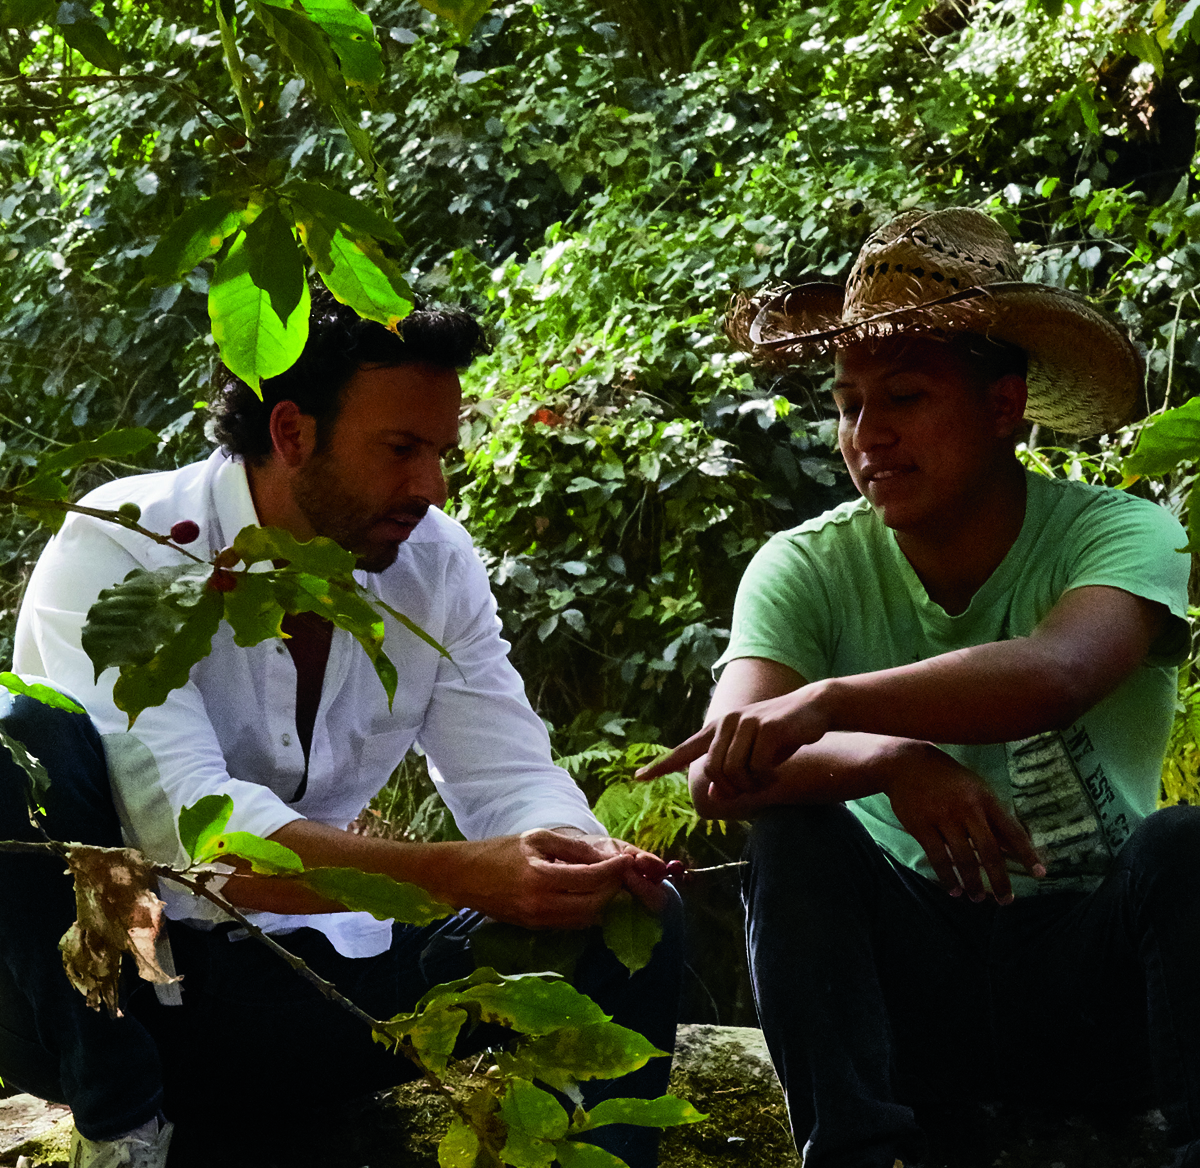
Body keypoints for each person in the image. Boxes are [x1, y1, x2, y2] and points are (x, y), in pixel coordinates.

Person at [0, 295, 681, 1168]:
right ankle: (121, 1126)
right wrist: (457, 877)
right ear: (291, 432)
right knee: (17, 738)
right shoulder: (127, 546)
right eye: (401, 450)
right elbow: (203, 842)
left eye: (440, 453)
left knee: (636, 916)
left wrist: (587, 863)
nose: (431, 489)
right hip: (133, 1005)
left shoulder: (432, 560)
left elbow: (507, 773)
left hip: (325, 992)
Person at [640, 208, 1199, 1168]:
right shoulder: (803, 565)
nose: (871, 434)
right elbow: (722, 771)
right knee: (799, 831)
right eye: (850, 403)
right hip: (917, 998)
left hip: (1096, 986)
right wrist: (892, 761)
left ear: (1003, 406)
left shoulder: (1121, 534)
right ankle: (854, 1150)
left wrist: (833, 705)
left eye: (905, 395)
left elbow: (1057, 674)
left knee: (1184, 846)